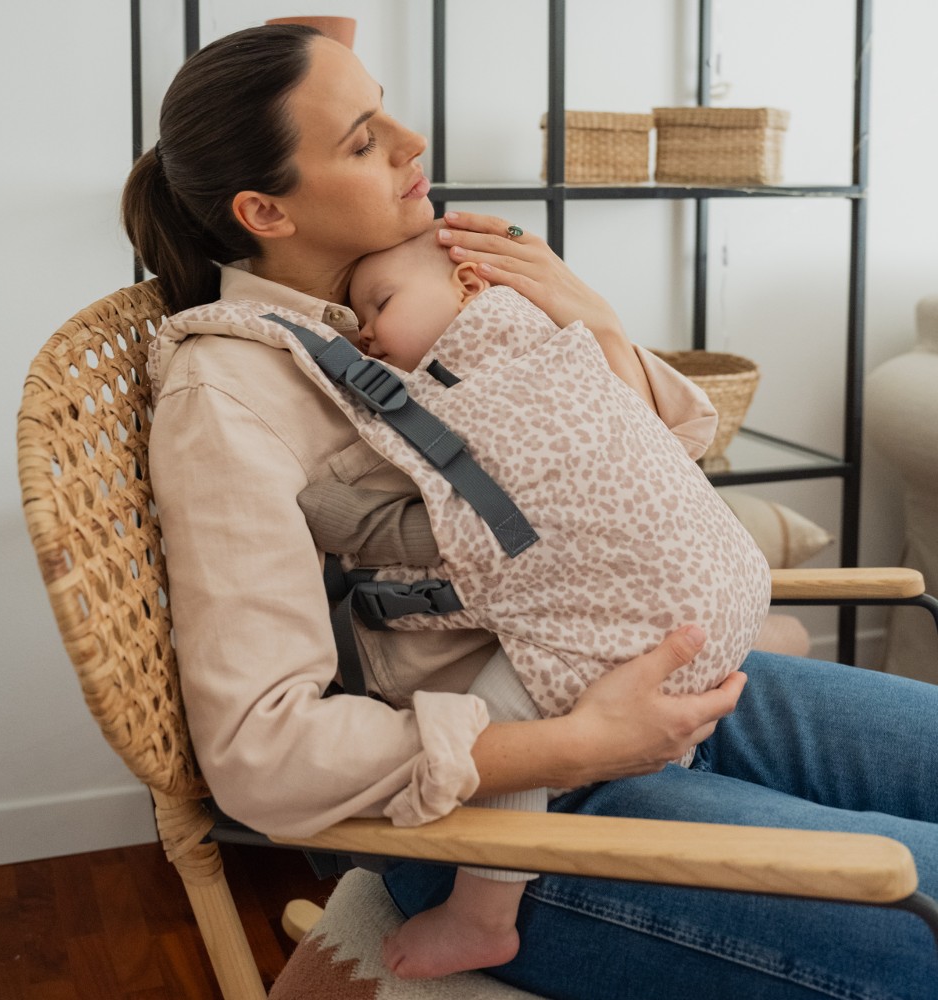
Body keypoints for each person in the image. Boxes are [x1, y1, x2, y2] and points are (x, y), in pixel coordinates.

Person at [121, 23, 938, 998]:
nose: (411, 139)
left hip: (640, 669)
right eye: (361, 139)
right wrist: (577, 745)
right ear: (264, 209)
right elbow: (263, 752)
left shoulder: (442, 270)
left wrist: (585, 314)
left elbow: (651, 463)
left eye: (385, 108)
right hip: (493, 806)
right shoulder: (229, 396)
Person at [292, 225, 771, 977]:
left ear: (472, 289)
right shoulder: (538, 339)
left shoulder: (477, 359)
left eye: (380, 304)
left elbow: (444, 489)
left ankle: (482, 916)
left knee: (489, 720)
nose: (369, 336)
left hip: (657, 610)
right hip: (725, 591)